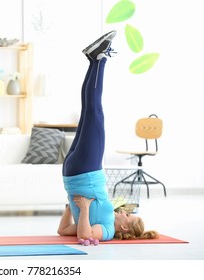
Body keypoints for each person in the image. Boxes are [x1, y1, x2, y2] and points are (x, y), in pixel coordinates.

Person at [57, 31, 159, 241]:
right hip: (73, 172)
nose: (124, 212)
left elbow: (82, 235)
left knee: (95, 111)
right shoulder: (106, 220)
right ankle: (94, 60)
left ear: (123, 229)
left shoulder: (108, 229)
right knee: (88, 109)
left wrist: (82, 209)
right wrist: (72, 207)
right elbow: (65, 231)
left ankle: (99, 59)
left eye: (127, 217)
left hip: (86, 170)